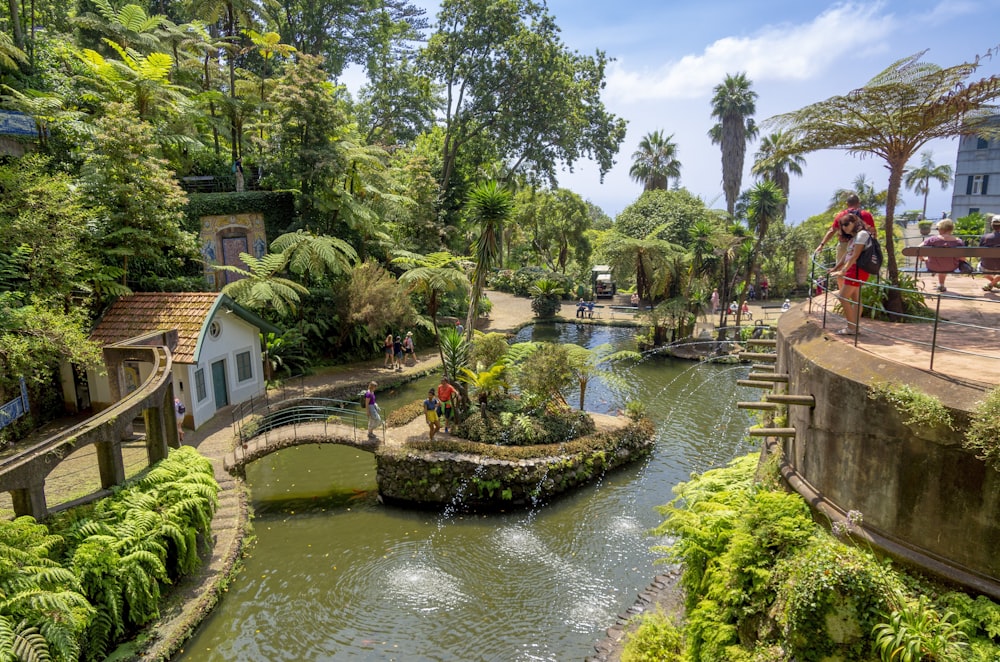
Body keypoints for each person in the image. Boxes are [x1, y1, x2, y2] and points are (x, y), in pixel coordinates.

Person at [814, 194, 877, 282]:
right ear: (858, 203)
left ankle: (842, 293)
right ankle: (859, 291)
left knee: (841, 270)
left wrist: (822, 245)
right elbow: (873, 231)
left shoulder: (841, 215)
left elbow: (832, 230)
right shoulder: (866, 214)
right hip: (863, 245)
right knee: (862, 268)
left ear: (847, 204)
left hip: (844, 244)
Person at [829, 213, 872, 335]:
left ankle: (851, 328)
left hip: (857, 270)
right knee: (856, 299)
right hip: (853, 269)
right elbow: (846, 256)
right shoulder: (854, 238)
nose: (844, 227)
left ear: (855, 223)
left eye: (847, 224)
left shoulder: (862, 235)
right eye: (842, 225)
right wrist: (835, 268)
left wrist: (842, 271)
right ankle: (854, 327)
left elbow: (855, 256)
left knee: (842, 297)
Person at [921, 218, 965, 292]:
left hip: (932, 266)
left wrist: (922, 259)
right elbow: (963, 258)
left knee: (940, 262)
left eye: (938, 228)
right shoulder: (959, 242)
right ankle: (941, 285)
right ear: (951, 229)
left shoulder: (932, 239)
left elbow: (918, 248)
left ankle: (941, 284)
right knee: (945, 262)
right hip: (951, 267)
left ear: (942, 229)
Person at [980, 215, 1000, 292]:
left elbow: (980, 251)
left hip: (986, 267)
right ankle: (994, 283)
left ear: (992, 225)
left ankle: (991, 284)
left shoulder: (985, 237)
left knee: (980, 267)